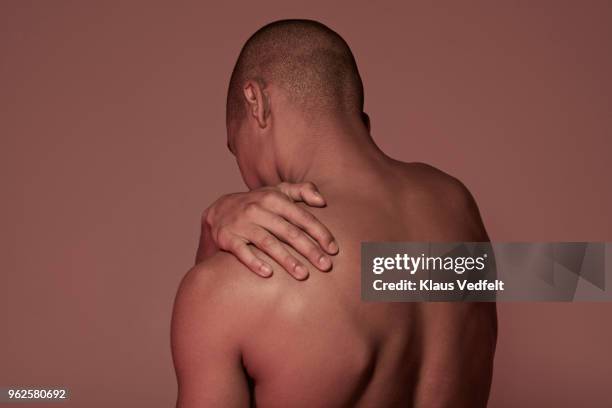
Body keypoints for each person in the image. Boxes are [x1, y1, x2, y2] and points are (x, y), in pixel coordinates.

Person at [171, 19, 497, 407]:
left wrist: (207, 262)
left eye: (234, 148)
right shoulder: (457, 204)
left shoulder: (226, 290)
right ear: (360, 121)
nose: (245, 178)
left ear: (256, 102)